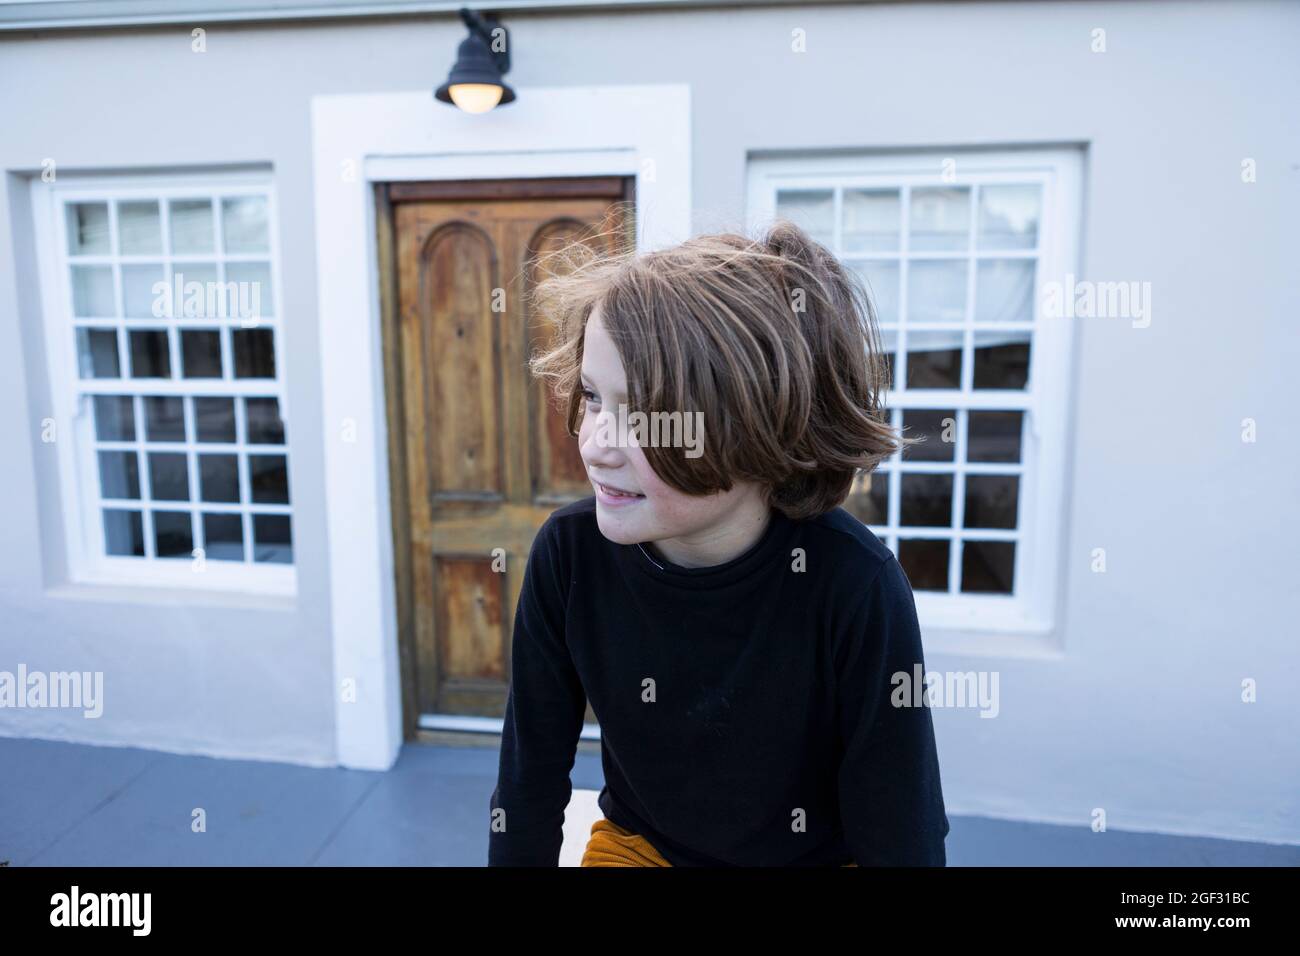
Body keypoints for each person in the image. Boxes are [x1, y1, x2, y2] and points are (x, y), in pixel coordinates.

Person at [487, 216, 949, 866]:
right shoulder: (570, 557)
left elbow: (902, 831)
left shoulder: (854, 585)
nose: (594, 445)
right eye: (593, 397)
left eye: (644, 415)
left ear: (751, 428)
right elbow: (527, 783)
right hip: (643, 849)